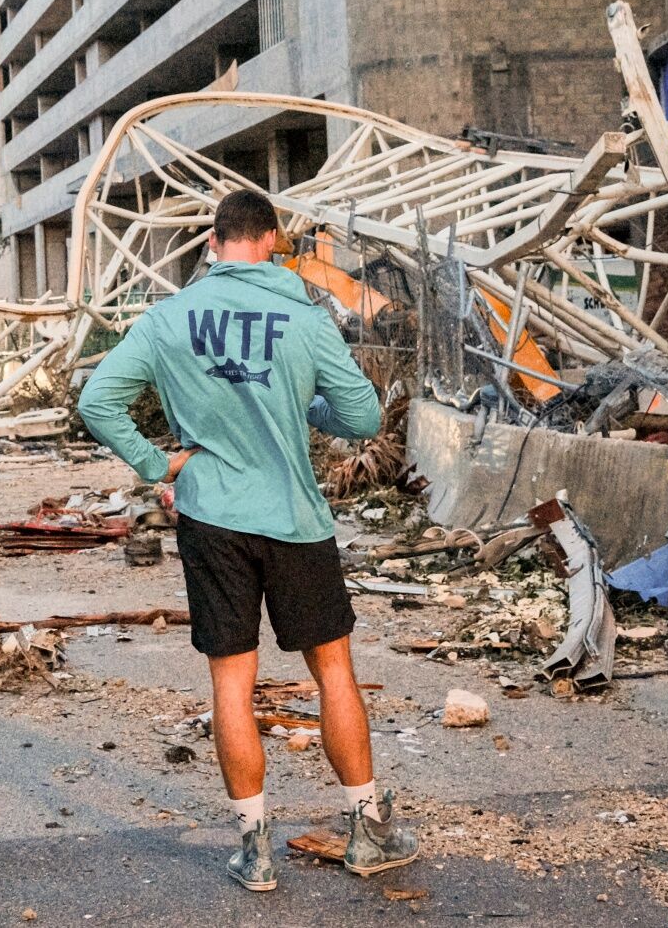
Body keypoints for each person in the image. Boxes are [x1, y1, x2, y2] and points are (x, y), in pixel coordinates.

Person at [77, 188, 417, 892]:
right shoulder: (303, 313)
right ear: (269, 239)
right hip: (294, 518)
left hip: (212, 520)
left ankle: (255, 849)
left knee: (232, 682)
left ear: (214, 241)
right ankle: (364, 831)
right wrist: (305, 402)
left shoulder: (168, 319)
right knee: (333, 672)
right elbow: (359, 414)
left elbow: (97, 401)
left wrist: (156, 463)